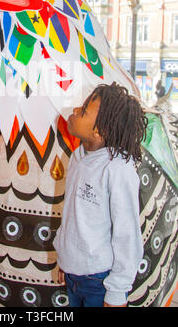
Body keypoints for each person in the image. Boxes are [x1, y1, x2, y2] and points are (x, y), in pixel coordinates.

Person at [53, 81, 148, 307]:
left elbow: (127, 235)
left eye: (84, 111)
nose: (75, 111)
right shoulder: (78, 157)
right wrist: (64, 259)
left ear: (100, 130)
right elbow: (72, 217)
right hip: (73, 274)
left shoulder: (117, 170)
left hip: (99, 280)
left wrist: (116, 292)